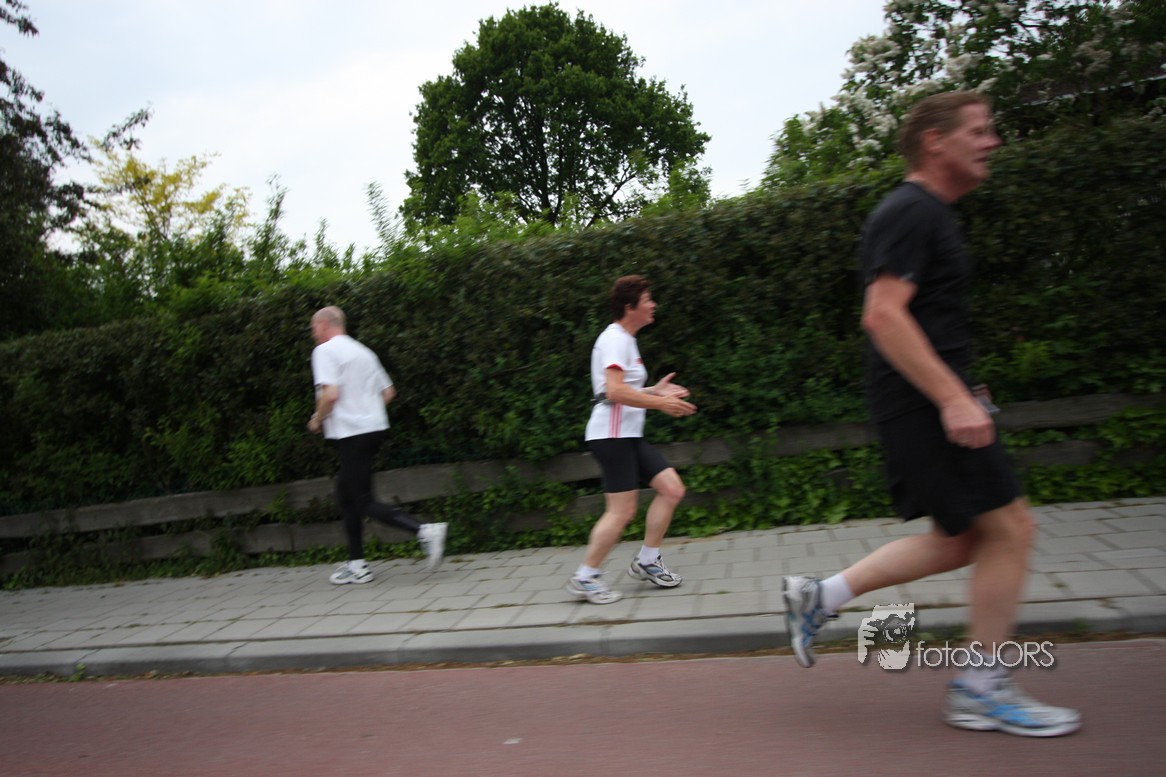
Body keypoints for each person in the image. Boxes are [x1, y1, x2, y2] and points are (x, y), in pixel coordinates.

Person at [782, 92, 1081, 736]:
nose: (992, 141)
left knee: (962, 539)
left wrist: (964, 385)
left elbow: (923, 320)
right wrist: (950, 397)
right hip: (922, 407)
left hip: (926, 402)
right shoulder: (912, 210)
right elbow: (883, 316)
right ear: (935, 141)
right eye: (979, 130)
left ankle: (821, 595)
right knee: (1012, 530)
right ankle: (979, 686)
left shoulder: (927, 213)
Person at [565, 275, 697, 605]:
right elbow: (613, 391)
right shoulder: (615, 339)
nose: (654, 305)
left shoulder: (625, 340)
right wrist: (660, 403)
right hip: (612, 436)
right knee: (621, 512)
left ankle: (647, 560)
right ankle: (586, 577)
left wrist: (655, 390)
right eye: (648, 299)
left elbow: (619, 389)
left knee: (672, 489)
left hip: (627, 435)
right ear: (630, 306)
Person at [308, 306, 447, 584]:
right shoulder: (364, 352)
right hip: (373, 429)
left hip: (353, 434)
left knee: (361, 500)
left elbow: (330, 394)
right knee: (346, 496)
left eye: (313, 329)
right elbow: (389, 392)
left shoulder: (324, 351)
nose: (313, 335)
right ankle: (357, 565)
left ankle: (425, 531)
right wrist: (367, 413)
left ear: (324, 325)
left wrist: (317, 419)